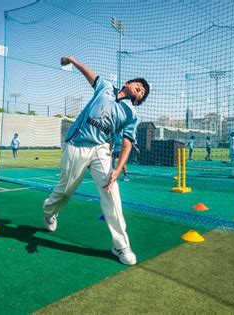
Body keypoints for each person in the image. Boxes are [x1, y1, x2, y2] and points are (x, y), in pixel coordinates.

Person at [42, 56, 150, 266]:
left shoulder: (131, 114)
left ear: (137, 100)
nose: (140, 90)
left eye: (143, 93)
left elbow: (127, 143)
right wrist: (71, 60)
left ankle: (121, 246)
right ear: (128, 83)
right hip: (77, 144)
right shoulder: (105, 87)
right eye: (139, 86)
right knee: (65, 191)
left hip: (101, 150)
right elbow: (88, 73)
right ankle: (49, 212)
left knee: (111, 194)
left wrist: (118, 169)